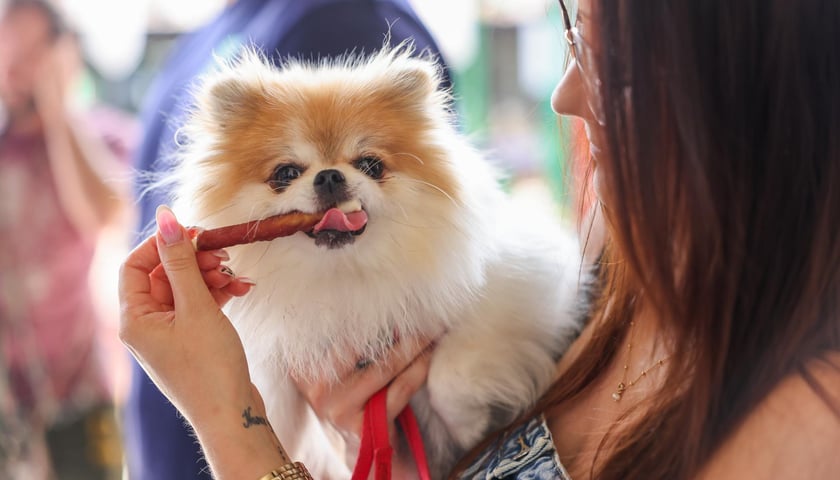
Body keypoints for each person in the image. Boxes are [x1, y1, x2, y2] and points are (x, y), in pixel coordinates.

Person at [119, 0, 840, 478]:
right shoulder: (610, 282)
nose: (566, 95)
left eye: (603, 59)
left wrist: (225, 411)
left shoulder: (811, 422)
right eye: (572, 41)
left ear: (741, 90)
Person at [125, 1, 451, 478]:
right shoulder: (216, 27)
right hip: (187, 436)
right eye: (286, 173)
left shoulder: (338, 17)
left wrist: (229, 420)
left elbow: (359, 310)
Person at [0, 0, 128, 478]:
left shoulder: (98, 137)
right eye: (7, 48)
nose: (14, 66)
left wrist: (57, 109)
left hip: (81, 390)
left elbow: (106, 215)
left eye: (31, 51)